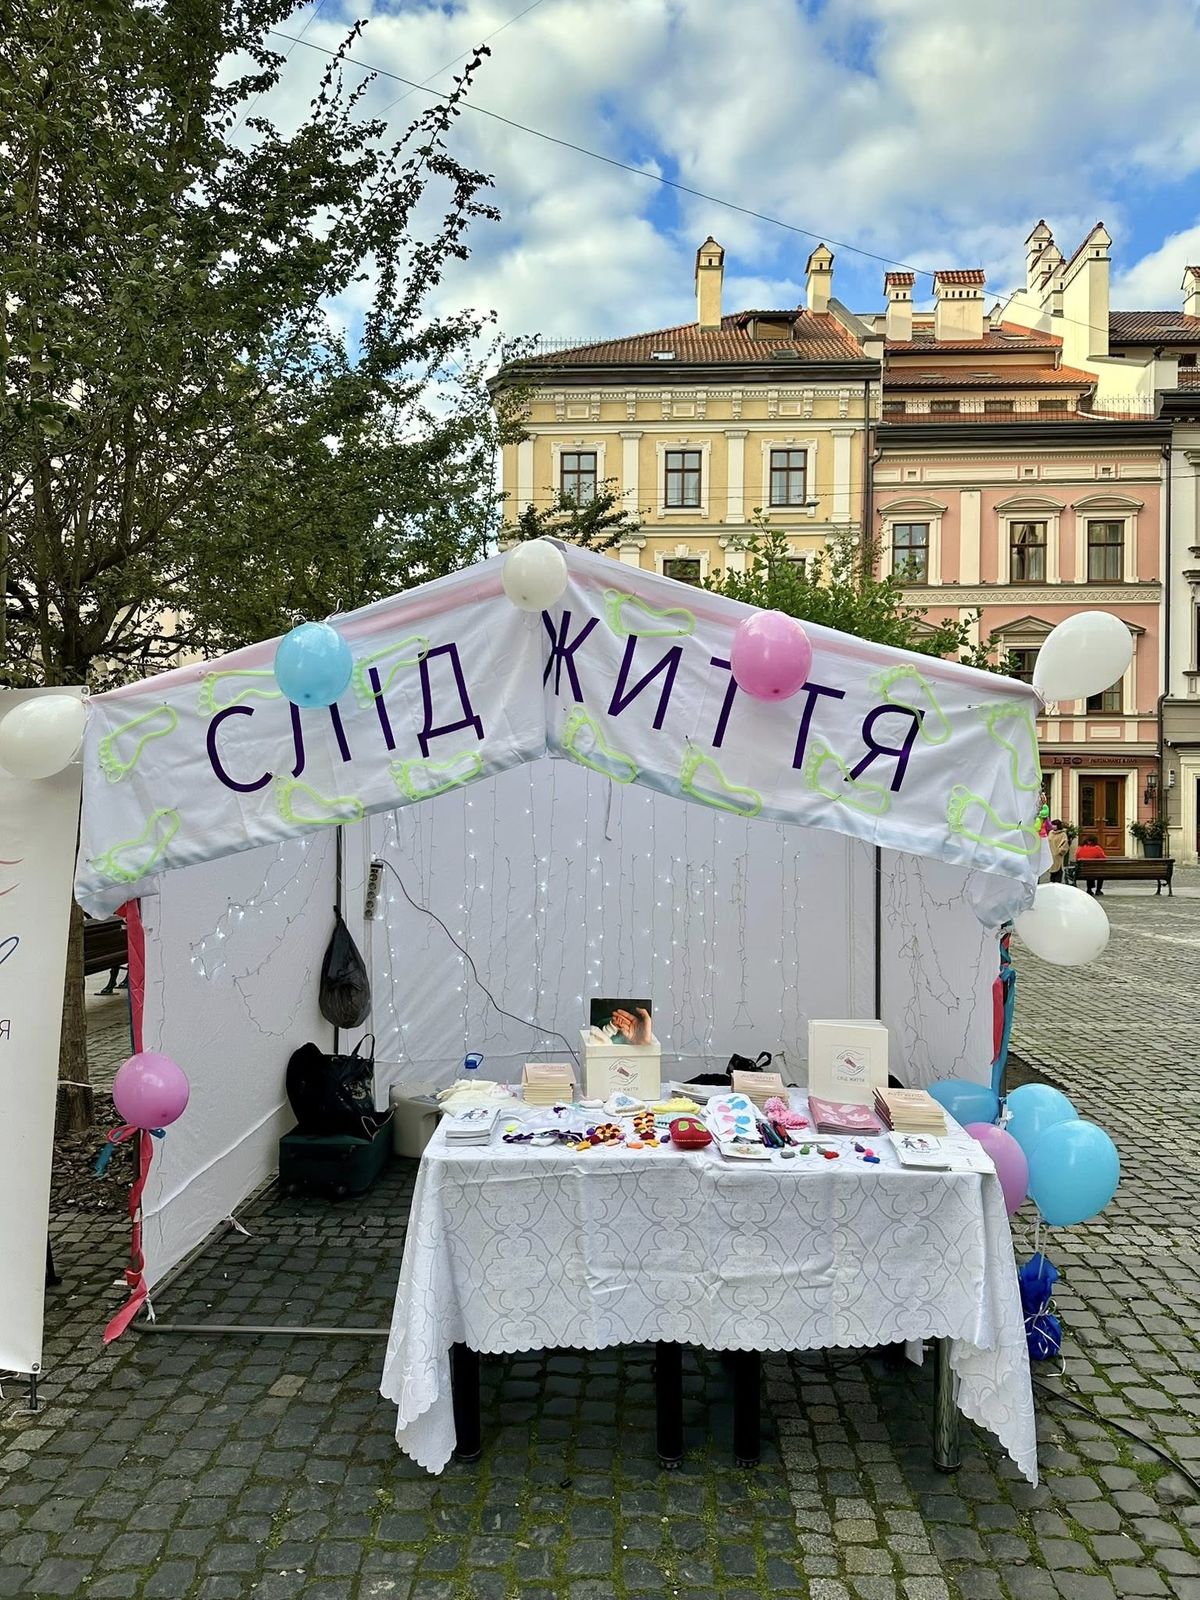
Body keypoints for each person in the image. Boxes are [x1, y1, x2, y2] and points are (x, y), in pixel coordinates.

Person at [1046, 820, 1070, 884]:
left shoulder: (1063, 834)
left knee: (1058, 871)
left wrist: (1060, 851)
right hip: (1051, 855)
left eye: (1055, 825)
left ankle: (1057, 884)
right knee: (1052, 873)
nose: (1053, 826)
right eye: (1052, 825)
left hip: (1058, 856)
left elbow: (1065, 845)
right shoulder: (1051, 833)